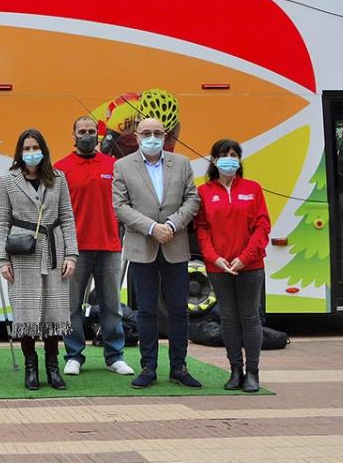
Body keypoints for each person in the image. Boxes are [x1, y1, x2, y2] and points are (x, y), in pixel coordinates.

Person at [113, 117, 202, 389]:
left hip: (175, 245)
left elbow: (192, 199)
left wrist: (173, 224)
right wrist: (152, 228)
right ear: (137, 137)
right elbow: (120, 206)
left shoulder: (183, 164)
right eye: (146, 133)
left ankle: (179, 367)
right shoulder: (122, 166)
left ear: (165, 136)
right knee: (146, 311)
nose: (152, 138)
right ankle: (148, 367)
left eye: (158, 133)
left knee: (178, 309)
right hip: (142, 247)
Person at [0, 129, 78, 391]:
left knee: (54, 312)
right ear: (19, 152)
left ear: (44, 150)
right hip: (21, 252)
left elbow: (67, 217)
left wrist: (71, 255)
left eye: (35, 148)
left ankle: (53, 367)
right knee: (26, 314)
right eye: (26, 148)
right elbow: (2, 221)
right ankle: (31, 368)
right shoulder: (7, 180)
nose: (31, 153)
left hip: (53, 249)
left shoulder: (58, 179)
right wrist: (2, 259)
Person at [55, 116, 134, 377]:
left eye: (91, 131)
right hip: (74, 249)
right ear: (73, 134)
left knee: (111, 304)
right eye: (82, 131)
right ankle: (74, 355)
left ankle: (114, 356)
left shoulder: (114, 165)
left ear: (98, 135)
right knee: (71, 306)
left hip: (109, 246)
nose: (87, 135)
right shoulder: (61, 168)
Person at [195, 139, 270, 393]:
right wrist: (214, 258)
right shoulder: (204, 192)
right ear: (214, 160)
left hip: (250, 266)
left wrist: (245, 257)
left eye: (234, 155)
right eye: (224, 155)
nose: (230, 159)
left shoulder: (253, 188)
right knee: (227, 318)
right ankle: (235, 370)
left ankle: (253, 372)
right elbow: (202, 230)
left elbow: (262, 227)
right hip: (219, 267)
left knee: (250, 317)